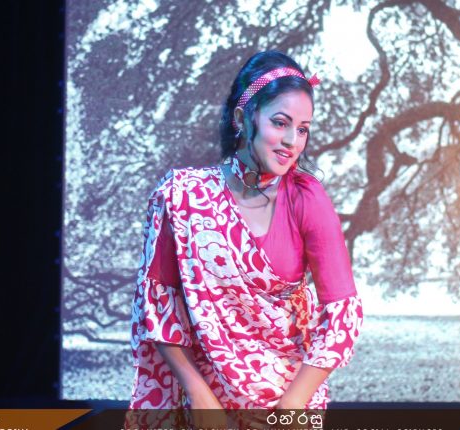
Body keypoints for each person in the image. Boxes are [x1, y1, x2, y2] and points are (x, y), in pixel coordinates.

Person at [128, 51, 364, 413]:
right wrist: (199, 395)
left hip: (292, 401)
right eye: (280, 123)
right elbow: (160, 305)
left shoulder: (307, 198)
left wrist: (292, 406)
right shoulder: (181, 196)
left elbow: (343, 313)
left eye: (303, 129)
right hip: (206, 406)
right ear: (242, 118)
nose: (293, 141)